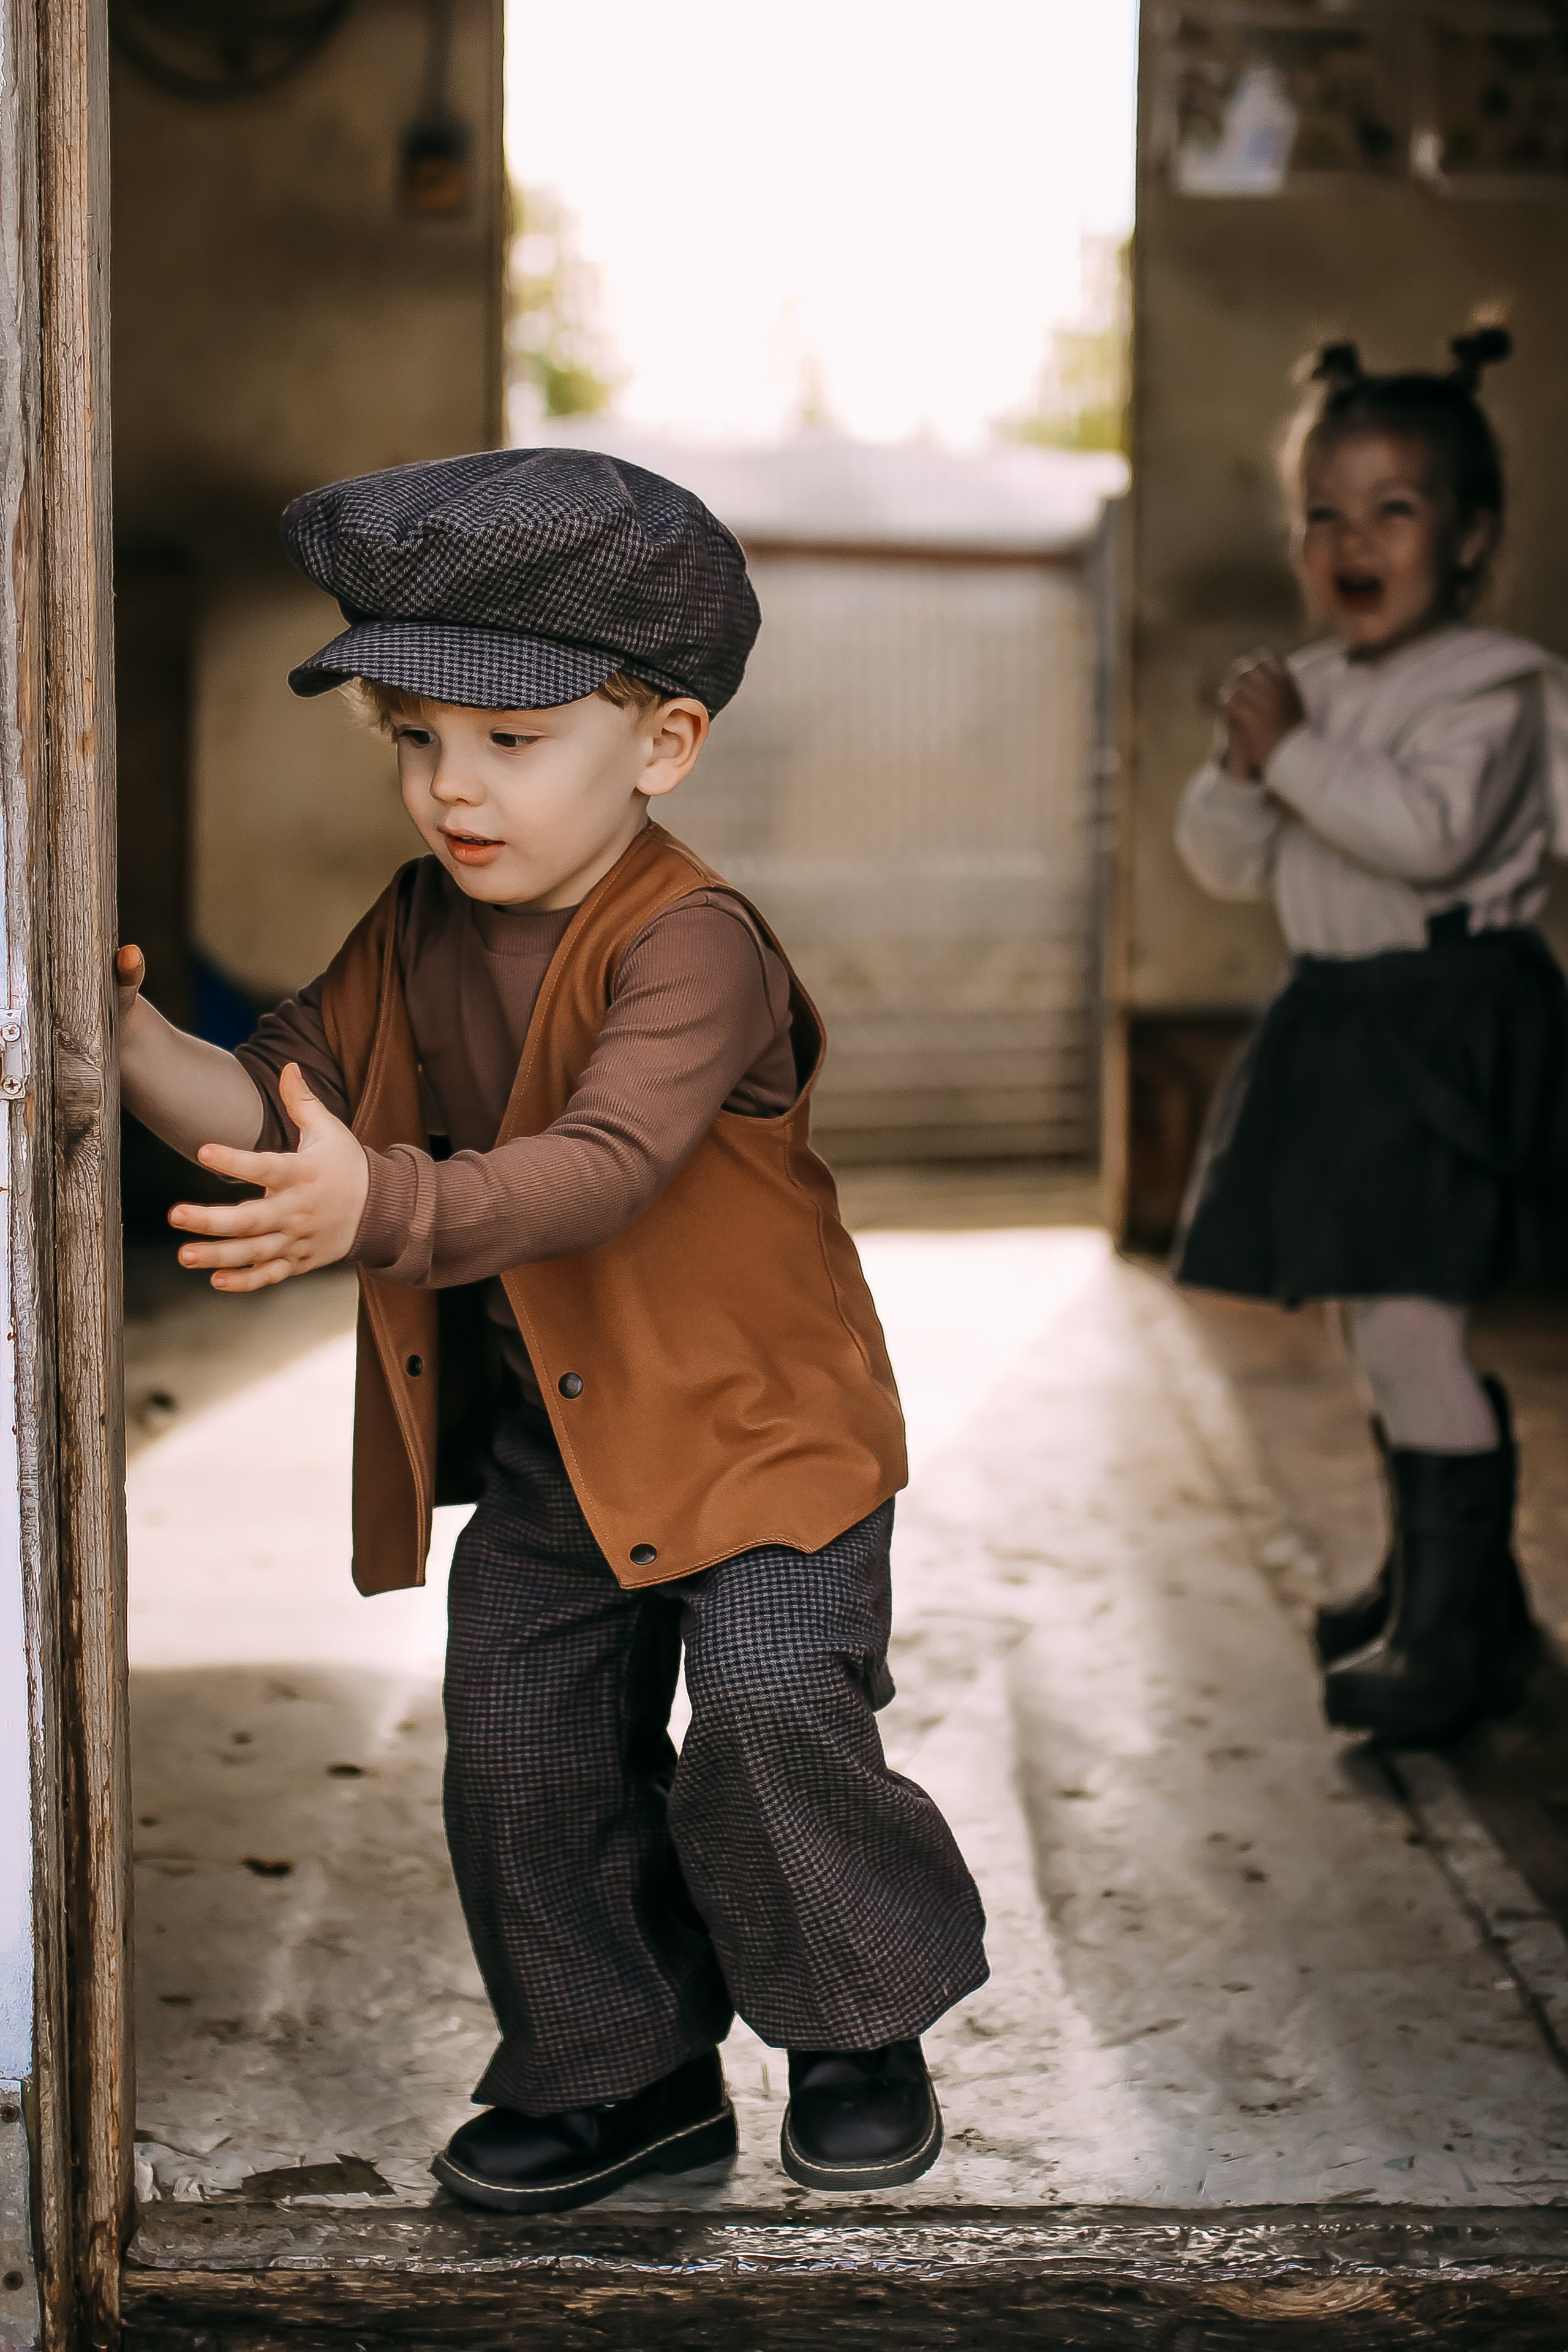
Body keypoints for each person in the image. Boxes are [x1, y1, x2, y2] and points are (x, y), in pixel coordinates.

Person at [117, 448, 988, 2212]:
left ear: (662, 745)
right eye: (416, 738)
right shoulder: (416, 925)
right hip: (559, 1458)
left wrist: (382, 1210)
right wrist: (109, 1031)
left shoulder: (697, 945)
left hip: (766, 1440)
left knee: (763, 1710)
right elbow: (282, 1093)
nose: (454, 787)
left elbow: (595, 1171)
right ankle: (627, 2075)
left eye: (512, 742)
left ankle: (853, 2022)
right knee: (521, 1749)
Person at [1173, 329, 1568, 1749]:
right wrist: (1237, 766)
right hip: (1341, 1024)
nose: (1350, 538)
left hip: (1445, 1028)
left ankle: (1455, 1637)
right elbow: (1224, 861)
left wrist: (1286, 754)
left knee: (1412, 1321)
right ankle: (1449, 1590)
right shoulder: (1310, 691)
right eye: (1322, 512)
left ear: (1467, 537)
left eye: (1391, 509)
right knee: (1369, 1317)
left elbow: (1430, 833)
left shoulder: (1492, 687)